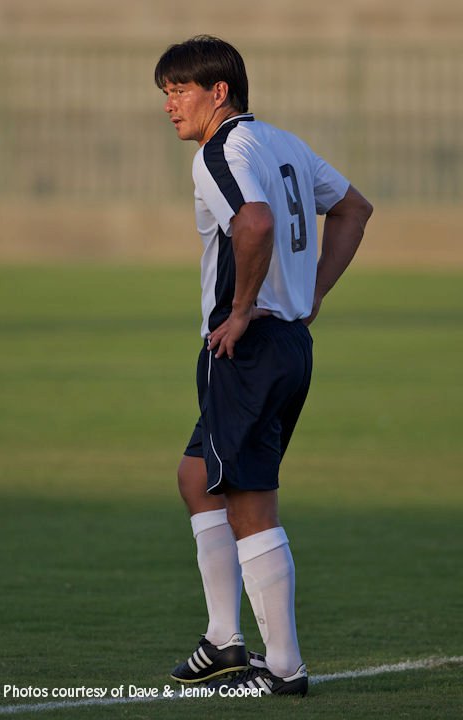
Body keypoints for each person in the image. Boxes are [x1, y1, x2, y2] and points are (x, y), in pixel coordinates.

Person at [154, 35, 373, 697]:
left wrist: (244, 309)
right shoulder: (283, 142)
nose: (170, 105)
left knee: (250, 503)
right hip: (284, 347)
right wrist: (310, 298)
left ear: (219, 92)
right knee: (199, 479)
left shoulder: (220, 149)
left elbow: (252, 223)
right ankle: (223, 641)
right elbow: (354, 208)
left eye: (180, 90)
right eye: (164, 93)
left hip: (245, 349)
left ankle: (283, 670)